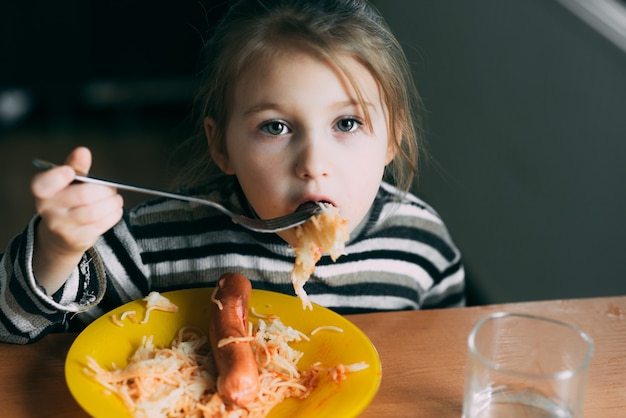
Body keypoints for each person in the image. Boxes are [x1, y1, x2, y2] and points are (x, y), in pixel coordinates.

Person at [0, 0, 464, 344]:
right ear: (221, 145)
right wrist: (56, 250)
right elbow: (12, 334)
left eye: (347, 123)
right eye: (275, 127)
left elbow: (443, 355)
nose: (314, 165)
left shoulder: (419, 244)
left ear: (392, 138)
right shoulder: (153, 245)